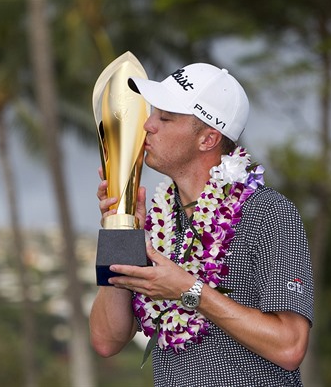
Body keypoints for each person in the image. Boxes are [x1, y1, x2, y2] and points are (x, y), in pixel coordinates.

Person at [89, 63, 314, 386]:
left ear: (208, 139)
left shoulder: (269, 212)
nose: (148, 125)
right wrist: (121, 229)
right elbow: (106, 340)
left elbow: (290, 345)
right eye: (152, 114)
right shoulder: (158, 221)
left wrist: (188, 290)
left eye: (165, 118)